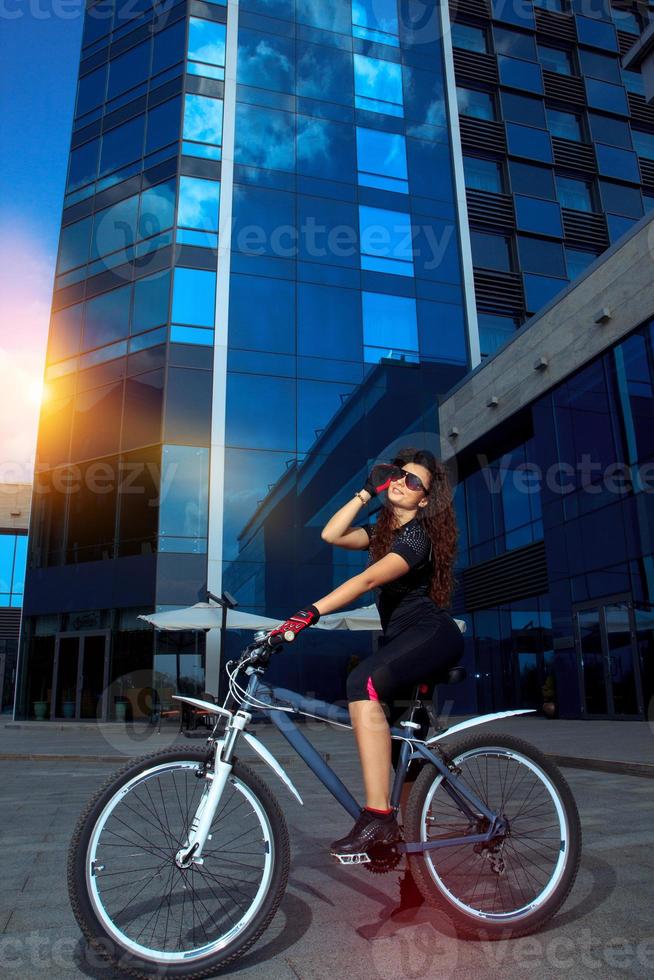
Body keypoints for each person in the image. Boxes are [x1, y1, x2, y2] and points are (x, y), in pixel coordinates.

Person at [268, 447, 464, 865]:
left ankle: (377, 816)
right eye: (397, 474)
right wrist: (363, 492)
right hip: (402, 643)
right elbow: (331, 535)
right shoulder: (381, 533)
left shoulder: (418, 537)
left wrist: (310, 613)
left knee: (363, 682)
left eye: (414, 482)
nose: (401, 482)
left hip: (431, 634)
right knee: (402, 755)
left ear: (424, 499)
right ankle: (413, 878)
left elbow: (369, 578)